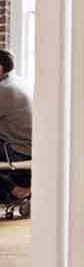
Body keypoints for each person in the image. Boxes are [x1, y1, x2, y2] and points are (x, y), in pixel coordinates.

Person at [0, 50, 32, 201]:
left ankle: (15, 190)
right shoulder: (17, 81)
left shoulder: (5, 90)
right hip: (29, 145)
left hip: (18, 149)